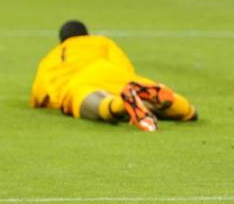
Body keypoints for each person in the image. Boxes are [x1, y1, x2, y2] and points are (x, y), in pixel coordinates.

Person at [29, 20, 197, 132]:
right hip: (109, 71)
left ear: (62, 41)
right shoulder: (102, 42)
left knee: (97, 102)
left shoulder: (52, 57)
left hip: (77, 83)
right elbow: (125, 67)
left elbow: (40, 93)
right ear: (87, 34)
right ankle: (185, 110)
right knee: (173, 107)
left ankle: (120, 104)